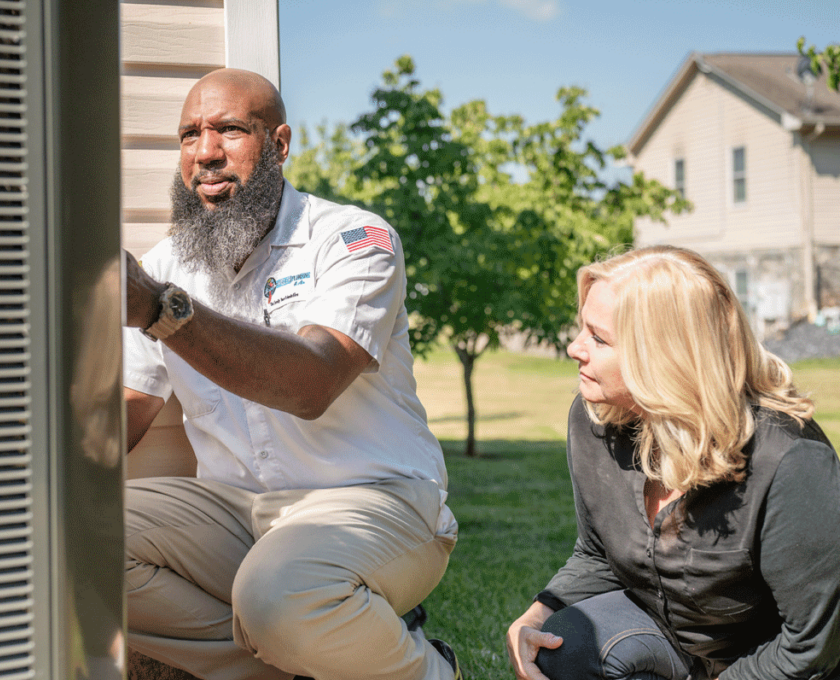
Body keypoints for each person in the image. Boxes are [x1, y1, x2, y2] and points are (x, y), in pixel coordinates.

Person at [121, 68, 462, 680]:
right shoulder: (166, 263)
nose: (205, 153)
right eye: (190, 134)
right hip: (236, 514)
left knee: (278, 595)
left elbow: (311, 383)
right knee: (75, 539)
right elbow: (120, 415)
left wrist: (157, 309)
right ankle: (289, 663)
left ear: (279, 145)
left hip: (376, 502)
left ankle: (431, 673)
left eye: (229, 130)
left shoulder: (354, 241)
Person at [506, 245, 840, 680]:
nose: (574, 347)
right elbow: (598, 554)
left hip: (773, 666)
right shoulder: (594, 420)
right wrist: (534, 617)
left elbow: (814, 646)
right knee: (566, 648)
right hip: (670, 642)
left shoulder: (790, 460)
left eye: (599, 338)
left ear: (666, 357)